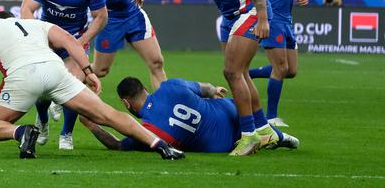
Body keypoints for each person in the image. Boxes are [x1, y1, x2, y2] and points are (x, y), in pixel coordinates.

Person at [0, 11, 184, 160]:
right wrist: (88, 70)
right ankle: (161, 145)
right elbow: (71, 41)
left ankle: (21, 132)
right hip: (55, 70)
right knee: (107, 114)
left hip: (23, 76)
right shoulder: (36, 24)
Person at [135, 0, 278, 156]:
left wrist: (263, 18)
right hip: (232, 16)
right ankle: (263, 129)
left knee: (232, 71)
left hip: (250, 12)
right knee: (240, 72)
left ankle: (248, 136)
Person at [20, 0, 108, 150]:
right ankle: (42, 121)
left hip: (74, 40)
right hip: (47, 38)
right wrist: (40, 36)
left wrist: (81, 41)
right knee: (41, 89)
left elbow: (101, 17)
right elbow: (26, 10)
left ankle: (66, 133)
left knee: (73, 87)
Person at [80, 77, 299, 153]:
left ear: (126, 103)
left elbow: (117, 144)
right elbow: (203, 88)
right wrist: (214, 90)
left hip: (227, 144)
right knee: (234, 107)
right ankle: (278, 135)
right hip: (234, 111)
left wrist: (91, 126)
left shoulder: (148, 130)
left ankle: (271, 138)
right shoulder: (170, 86)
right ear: (145, 89)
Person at [246, 0, 309, 127]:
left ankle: (248, 73)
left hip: (288, 21)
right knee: (280, 68)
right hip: (271, 20)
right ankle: (271, 117)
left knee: (291, 70)